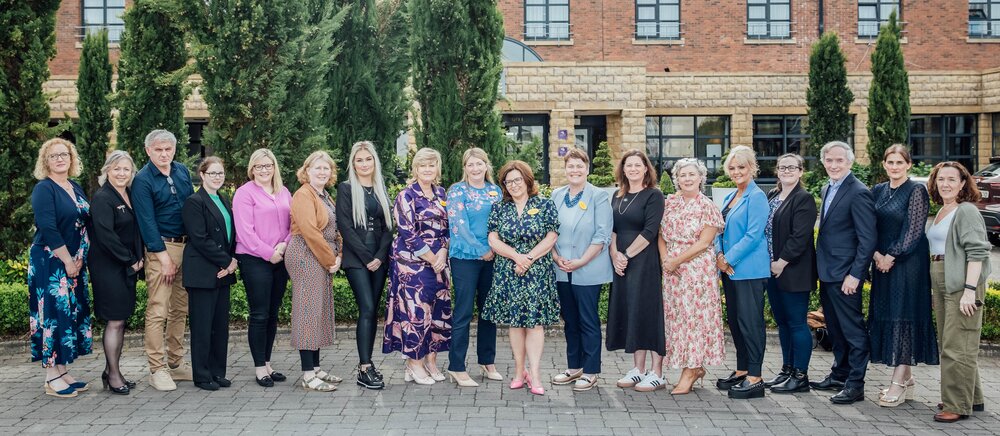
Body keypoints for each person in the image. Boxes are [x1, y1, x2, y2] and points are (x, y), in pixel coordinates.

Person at [481, 160, 560, 396]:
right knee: (515, 323)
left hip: (537, 271)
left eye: (517, 179)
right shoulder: (499, 208)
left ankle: (534, 374)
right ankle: (518, 371)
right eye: (508, 181)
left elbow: (552, 236)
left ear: (527, 179)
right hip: (508, 271)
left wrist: (528, 258)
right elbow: (493, 239)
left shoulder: (544, 204)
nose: (514, 185)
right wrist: (517, 257)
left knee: (534, 323)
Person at [869, 145, 939, 407]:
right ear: (884, 164)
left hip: (908, 263)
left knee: (904, 316)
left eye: (900, 162)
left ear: (909, 165)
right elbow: (869, 226)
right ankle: (906, 378)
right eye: (890, 162)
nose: (895, 166)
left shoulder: (916, 190)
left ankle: (897, 382)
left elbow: (914, 230)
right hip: (881, 261)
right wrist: (876, 255)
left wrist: (891, 256)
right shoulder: (878, 190)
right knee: (888, 314)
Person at [811, 140, 876, 404]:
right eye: (829, 160)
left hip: (846, 275)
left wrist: (855, 274)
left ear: (850, 162)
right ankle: (839, 373)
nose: (834, 165)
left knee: (853, 330)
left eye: (839, 160)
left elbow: (868, 239)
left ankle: (856, 384)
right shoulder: (828, 187)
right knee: (835, 328)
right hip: (827, 271)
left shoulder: (858, 191)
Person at [926, 162, 990, 423]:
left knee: (957, 345)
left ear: (964, 183)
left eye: (952, 179)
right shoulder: (943, 210)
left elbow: (977, 252)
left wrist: (969, 291)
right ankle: (970, 398)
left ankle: (956, 405)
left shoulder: (966, 211)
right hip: (943, 280)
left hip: (962, 282)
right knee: (953, 342)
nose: (946, 184)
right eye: (941, 179)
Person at [28, 138, 93, 398]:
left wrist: (79, 259)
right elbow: (49, 227)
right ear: (46, 161)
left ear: (71, 158)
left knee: (70, 314)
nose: (59, 159)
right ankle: (51, 376)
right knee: (53, 315)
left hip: (74, 261)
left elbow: (84, 224)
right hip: (50, 261)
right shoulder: (44, 189)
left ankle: (63, 370)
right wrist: (67, 260)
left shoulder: (74, 186)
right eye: (53, 156)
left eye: (64, 154)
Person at [132, 129, 195, 391]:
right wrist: (163, 258)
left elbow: (192, 206)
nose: (164, 153)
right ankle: (156, 368)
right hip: (162, 249)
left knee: (180, 309)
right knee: (158, 310)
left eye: (168, 149)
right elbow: (146, 223)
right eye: (158, 149)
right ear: (148, 151)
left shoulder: (181, 171)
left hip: (187, 245)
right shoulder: (143, 180)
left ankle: (176, 363)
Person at [383, 148, 452, 385]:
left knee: (437, 313)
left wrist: (442, 251)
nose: (427, 170)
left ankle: (431, 361)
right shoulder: (406, 195)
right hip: (412, 264)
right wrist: (433, 259)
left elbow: (448, 228)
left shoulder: (441, 193)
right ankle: (414, 363)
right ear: (415, 168)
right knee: (416, 313)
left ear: (437, 169)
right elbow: (408, 233)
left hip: (440, 262)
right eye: (423, 166)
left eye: (431, 165)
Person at [658, 158, 725, 395]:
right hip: (672, 272)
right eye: (682, 175)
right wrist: (666, 261)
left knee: (694, 319)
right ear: (676, 179)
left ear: (700, 178)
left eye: (691, 175)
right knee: (677, 318)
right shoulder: (670, 203)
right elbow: (661, 235)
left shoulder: (707, 206)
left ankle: (692, 368)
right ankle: (691, 367)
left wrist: (676, 260)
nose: (687, 179)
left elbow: (705, 242)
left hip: (697, 270)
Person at [549, 148, 612, 392]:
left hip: (588, 268)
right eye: (570, 166)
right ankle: (574, 367)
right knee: (570, 320)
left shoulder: (599, 196)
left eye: (579, 166)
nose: (575, 170)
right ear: (565, 169)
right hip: (562, 268)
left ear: (587, 169)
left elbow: (602, 234)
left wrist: (581, 261)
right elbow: (550, 230)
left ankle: (592, 370)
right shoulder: (557, 194)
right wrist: (555, 257)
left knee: (588, 320)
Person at [607, 149, 666, 392]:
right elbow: (611, 229)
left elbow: (650, 231)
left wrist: (627, 255)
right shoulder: (617, 195)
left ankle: (657, 372)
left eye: (637, 165)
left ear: (645, 169)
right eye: (628, 165)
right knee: (631, 311)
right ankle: (638, 370)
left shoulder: (654, 195)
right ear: (622, 169)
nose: (632, 169)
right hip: (621, 262)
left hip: (643, 261)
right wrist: (614, 255)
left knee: (647, 311)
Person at [714, 145, 770, 400]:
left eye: (742, 167)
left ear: (752, 168)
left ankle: (756, 377)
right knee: (736, 322)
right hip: (729, 270)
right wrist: (718, 256)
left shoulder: (757, 196)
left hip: (748, 270)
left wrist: (728, 258)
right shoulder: (730, 196)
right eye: (733, 168)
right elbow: (719, 229)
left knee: (751, 323)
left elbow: (753, 234)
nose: (737, 171)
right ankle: (742, 369)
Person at [336, 141, 393, 390]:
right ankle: (364, 366)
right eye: (359, 160)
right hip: (357, 260)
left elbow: (389, 228)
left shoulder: (381, 189)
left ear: (374, 162)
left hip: (379, 260)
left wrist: (380, 256)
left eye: (367, 159)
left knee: (372, 312)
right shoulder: (346, 188)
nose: (364, 164)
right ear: (353, 163)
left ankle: (367, 366)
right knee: (367, 308)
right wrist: (367, 258)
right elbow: (346, 228)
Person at [233, 148, 292, 387]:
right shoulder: (244, 194)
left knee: (273, 313)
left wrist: (283, 247)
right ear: (252, 169)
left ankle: (268, 363)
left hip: (280, 257)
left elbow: (292, 225)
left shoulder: (284, 191)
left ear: (274, 167)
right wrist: (269, 253)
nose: (264, 170)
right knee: (259, 314)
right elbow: (245, 232)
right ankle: (259, 368)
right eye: (259, 166)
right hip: (255, 259)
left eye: (268, 165)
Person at [445, 147, 503, 387]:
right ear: (465, 168)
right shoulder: (457, 191)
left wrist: (495, 249)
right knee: (464, 311)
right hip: (466, 259)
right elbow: (459, 226)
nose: (475, 169)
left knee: (489, 311)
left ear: (486, 165)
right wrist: (483, 250)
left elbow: (500, 221)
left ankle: (487, 361)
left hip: (493, 258)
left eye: (479, 164)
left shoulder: (495, 191)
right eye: (470, 165)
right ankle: (456, 366)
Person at [287, 151, 343, 392]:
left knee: (318, 311)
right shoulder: (303, 195)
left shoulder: (325, 195)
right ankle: (308, 375)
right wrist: (331, 259)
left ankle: (317, 367)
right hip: (306, 255)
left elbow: (336, 228)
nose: (322, 172)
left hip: (322, 255)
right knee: (308, 312)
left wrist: (339, 254)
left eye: (326, 168)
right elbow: (310, 232)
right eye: (317, 168)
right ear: (306, 171)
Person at [88, 150, 144, 395]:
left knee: (121, 321)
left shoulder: (129, 194)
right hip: (109, 267)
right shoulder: (103, 198)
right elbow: (106, 236)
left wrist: (140, 257)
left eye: (126, 170)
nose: (122, 173)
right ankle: (112, 375)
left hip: (128, 266)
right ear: (107, 171)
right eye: (117, 169)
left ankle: (112, 370)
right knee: (115, 320)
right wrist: (130, 260)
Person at [181, 157, 237, 391]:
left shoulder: (224, 199)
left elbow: (229, 235)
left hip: (223, 271)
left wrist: (231, 262)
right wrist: (228, 261)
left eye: (220, 173)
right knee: (203, 327)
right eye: (212, 173)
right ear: (202, 175)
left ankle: (217, 371)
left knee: (219, 325)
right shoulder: (194, 202)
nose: (217, 177)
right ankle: (202, 376)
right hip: (203, 271)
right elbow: (200, 238)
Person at [763, 153, 817, 394]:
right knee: (783, 323)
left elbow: (800, 236)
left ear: (800, 171)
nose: (786, 171)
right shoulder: (773, 195)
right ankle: (787, 370)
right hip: (771, 271)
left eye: (791, 167)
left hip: (792, 270)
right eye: (782, 167)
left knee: (797, 324)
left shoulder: (804, 199)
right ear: (777, 171)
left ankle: (801, 375)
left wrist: (781, 261)